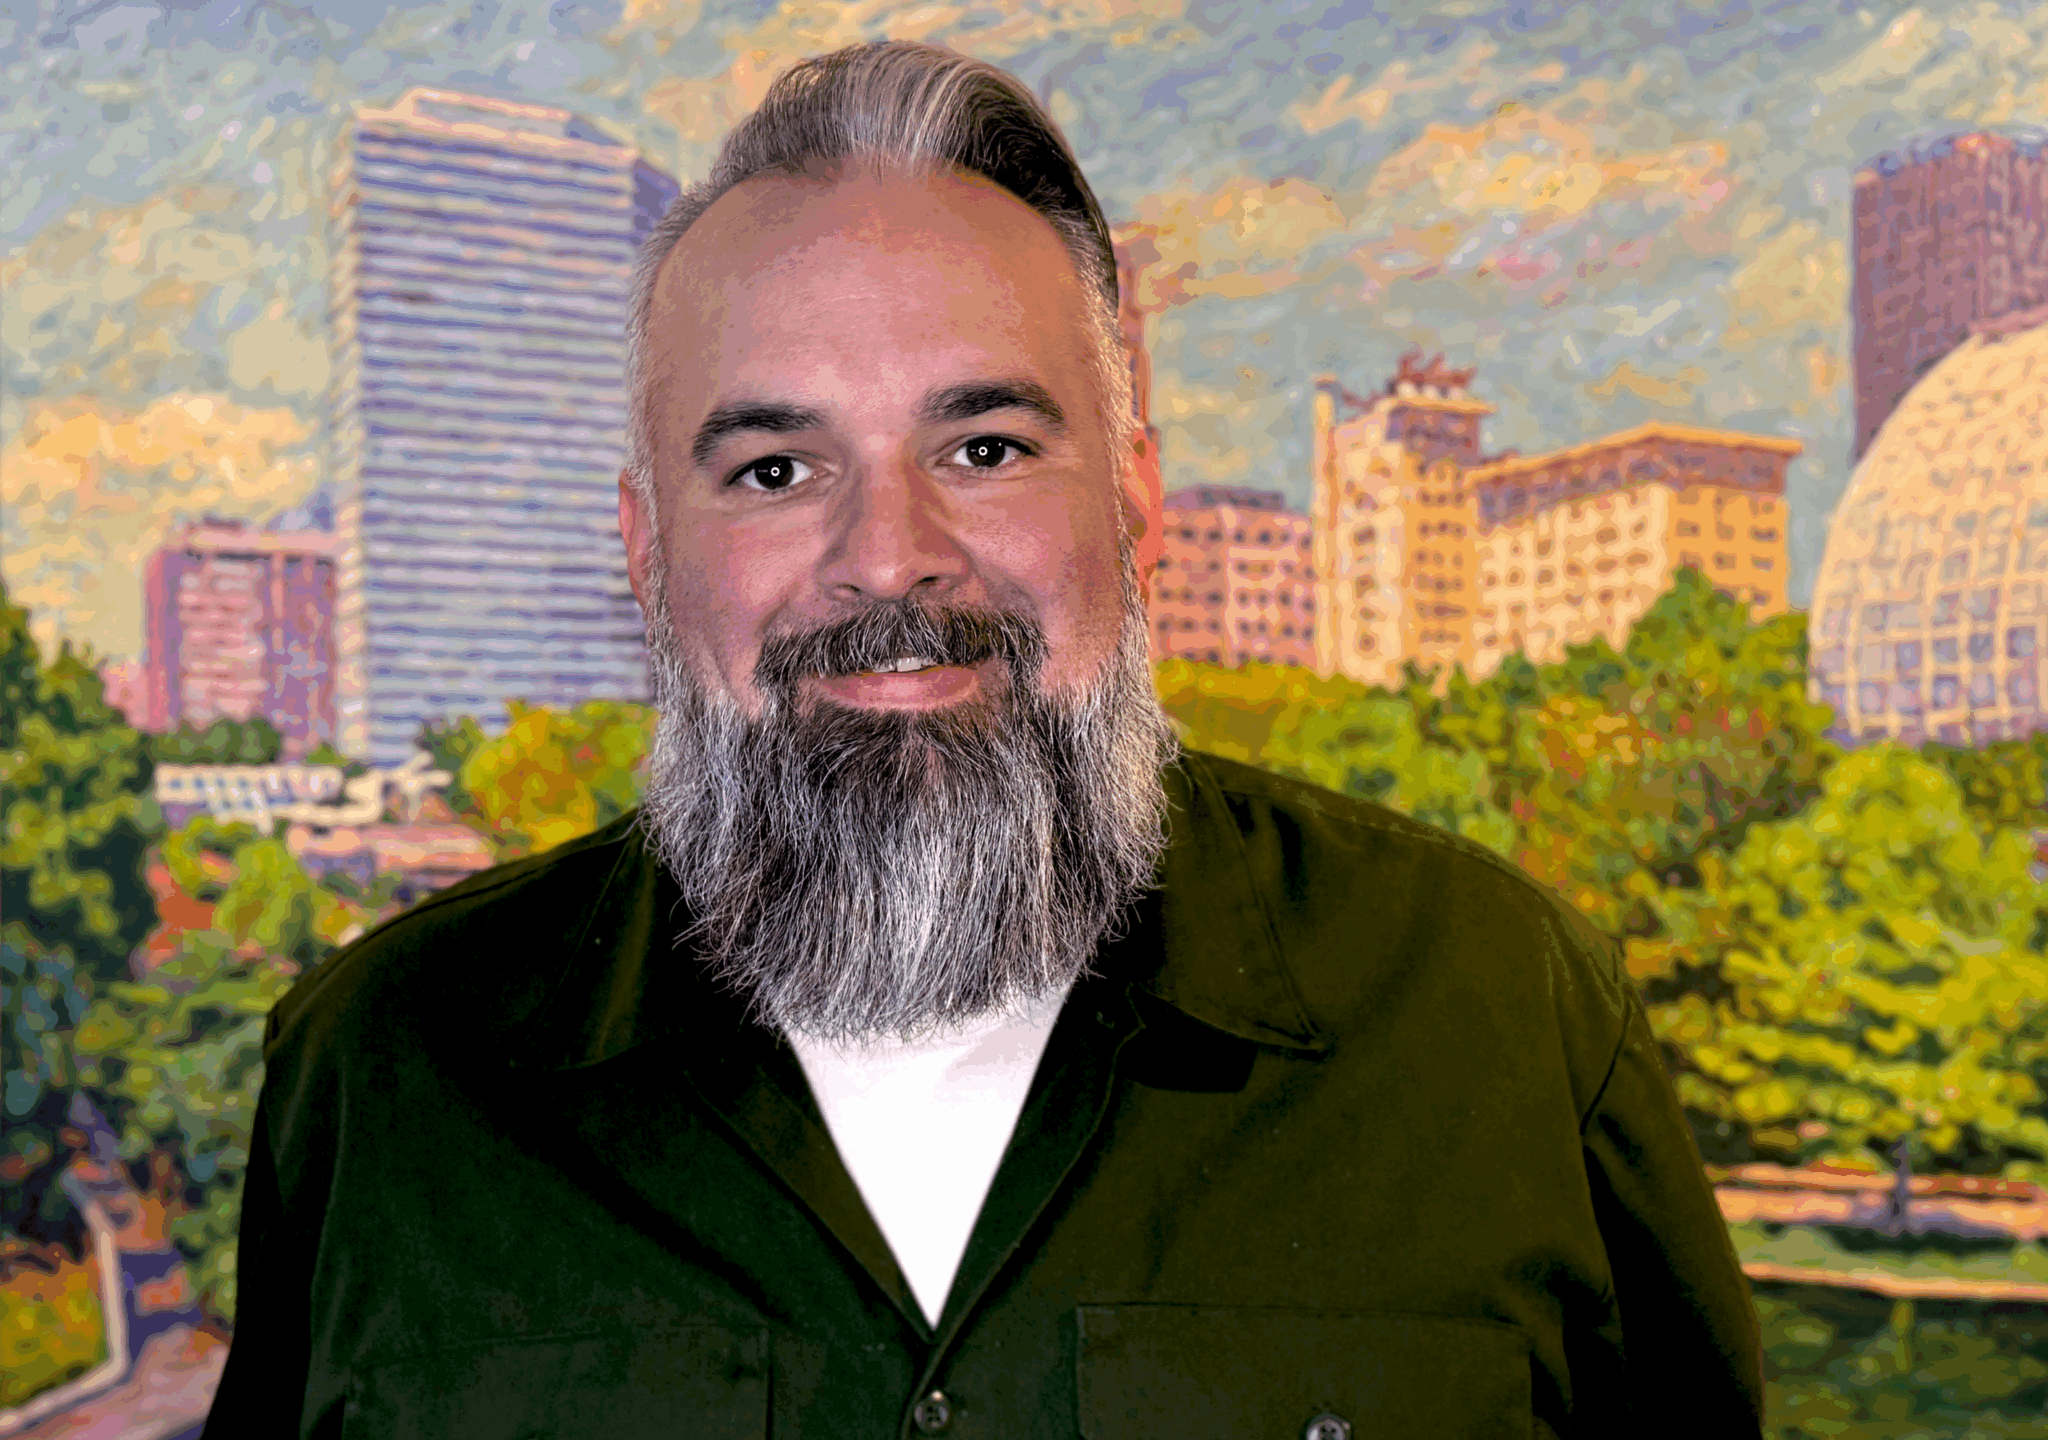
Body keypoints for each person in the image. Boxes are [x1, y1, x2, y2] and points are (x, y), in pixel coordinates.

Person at [203, 40, 1764, 1439]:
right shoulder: (384, 1072)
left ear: (1138, 498)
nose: (891, 555)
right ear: (642, 547)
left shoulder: (1495, 1006)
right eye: (772, 471)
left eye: (987, 445)